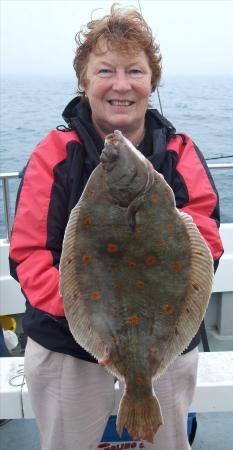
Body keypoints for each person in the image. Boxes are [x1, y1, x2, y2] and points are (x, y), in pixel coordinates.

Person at [9, 4, 223, 450]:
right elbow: (29, 255)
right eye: (105, 70)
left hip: (163, 345)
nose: (121, 84)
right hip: (65, 344)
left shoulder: (180, 154)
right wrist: (89, 323)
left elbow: (206, 243)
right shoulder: (54, 154)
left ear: (152, 82)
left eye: (135, 71)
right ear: (84, 82)